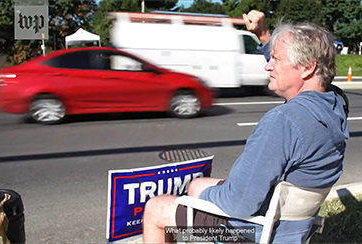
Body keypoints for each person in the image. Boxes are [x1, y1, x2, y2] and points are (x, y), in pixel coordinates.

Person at [142, 10, 349, 244]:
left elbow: (240, 204)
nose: (268, 66)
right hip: (293, 228)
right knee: (197, 185)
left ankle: (200, 233)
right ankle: (196, 230)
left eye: (276, 59)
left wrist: (205, 197)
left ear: (307, 68)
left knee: (156, 209)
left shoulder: (284, 121)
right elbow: (291, 65)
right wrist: (262, 35)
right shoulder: (334, 106)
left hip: (251, 233)